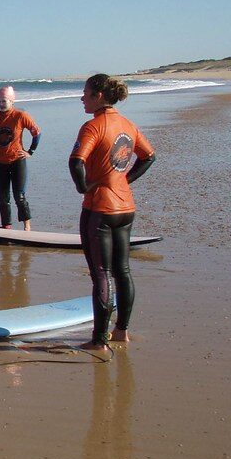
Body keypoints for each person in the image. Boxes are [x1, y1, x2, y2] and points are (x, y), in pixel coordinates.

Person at [69, 74, 156, 349]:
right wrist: (123, 180)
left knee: (102, 275)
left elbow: (76, 162)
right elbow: (149, 156)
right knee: (123, 270)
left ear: (99, 96)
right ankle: (122, 331)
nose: (82, 97)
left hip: (100, 210)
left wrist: (84, 187)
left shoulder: (92, 127)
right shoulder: (127, 124)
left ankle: (98, 340)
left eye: (86, 93)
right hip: (125, 208)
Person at [0, 85, 41, 231]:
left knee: (19, 196)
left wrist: (30, 151)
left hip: (17, 161)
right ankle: (7, 227)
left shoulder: (20, 116)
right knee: (3, 197)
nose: (1, 104)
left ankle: (27, 226)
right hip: (0, 162)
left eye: (4, 101)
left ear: (12, 101)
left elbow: (36, 133)